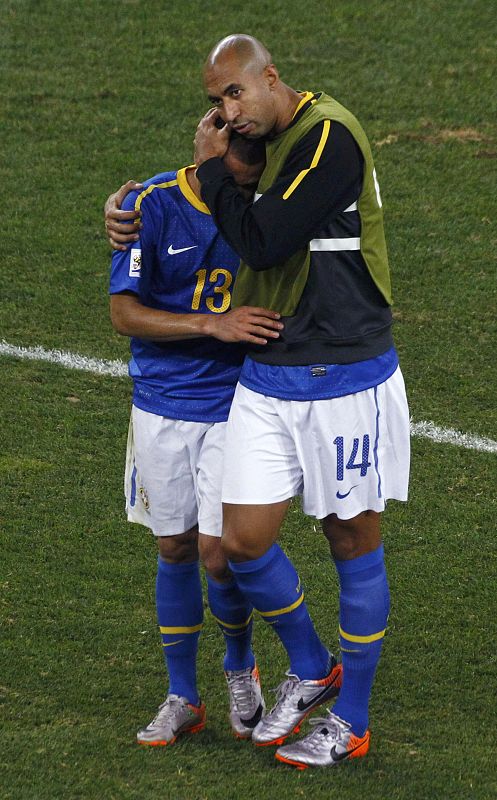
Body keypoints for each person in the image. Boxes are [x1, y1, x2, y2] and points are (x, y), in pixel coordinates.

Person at [190, 34, 411, 769]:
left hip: (344, 379)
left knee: (350, 540)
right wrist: (126, 206)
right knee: (237, 542)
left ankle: (351, 720)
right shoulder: (264, 147)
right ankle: (315, 667)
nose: (228, 112)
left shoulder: (328, 137)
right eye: (215, 104)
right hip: (269, 376)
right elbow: (216, 211)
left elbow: (263, 237)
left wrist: (211, 169)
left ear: (270, 78)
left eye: (234, 94)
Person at [108, 135, 286, 746]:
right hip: (159, 405)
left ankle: (241, 666)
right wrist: (212, 323)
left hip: (236, 405)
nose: (244, 184)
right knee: (175, 548)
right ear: (207, 150)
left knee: (220, 551)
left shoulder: (268, 203)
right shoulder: (150, 204)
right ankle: (183, 694)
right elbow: (124, 313)